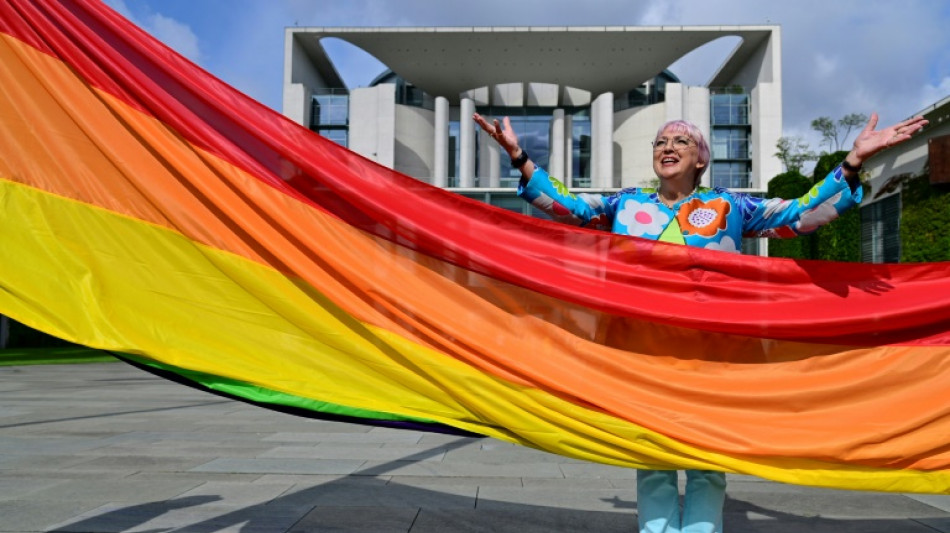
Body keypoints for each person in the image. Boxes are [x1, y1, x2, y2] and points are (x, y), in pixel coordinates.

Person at [473, 111, 928, 533]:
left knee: (708, 459)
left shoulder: (731, 206)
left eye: (681, 141)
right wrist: (518, 155)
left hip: (715, 354)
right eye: (660, 142)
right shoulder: (625, 206)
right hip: (643, 351)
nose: (667, 147)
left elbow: (799, 215)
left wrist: (851, 162)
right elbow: (567, 205)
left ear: (700, 158)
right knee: (652, 456)